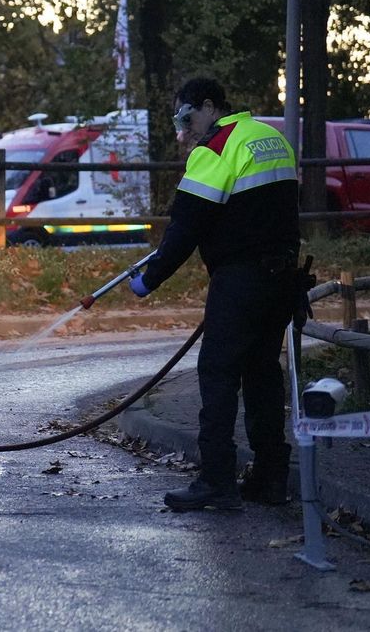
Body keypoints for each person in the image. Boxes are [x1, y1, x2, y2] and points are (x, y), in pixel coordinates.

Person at [130, 78, 301, 511]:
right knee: (262, 372)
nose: (184, 132)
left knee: (217, 372)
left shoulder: (216, 149)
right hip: (282, 278)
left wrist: (150, 279)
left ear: (209, 107)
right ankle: (271, 478)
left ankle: (216, 480)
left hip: (240, 279)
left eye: (187, 119)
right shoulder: (269, 137)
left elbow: (186, 227)